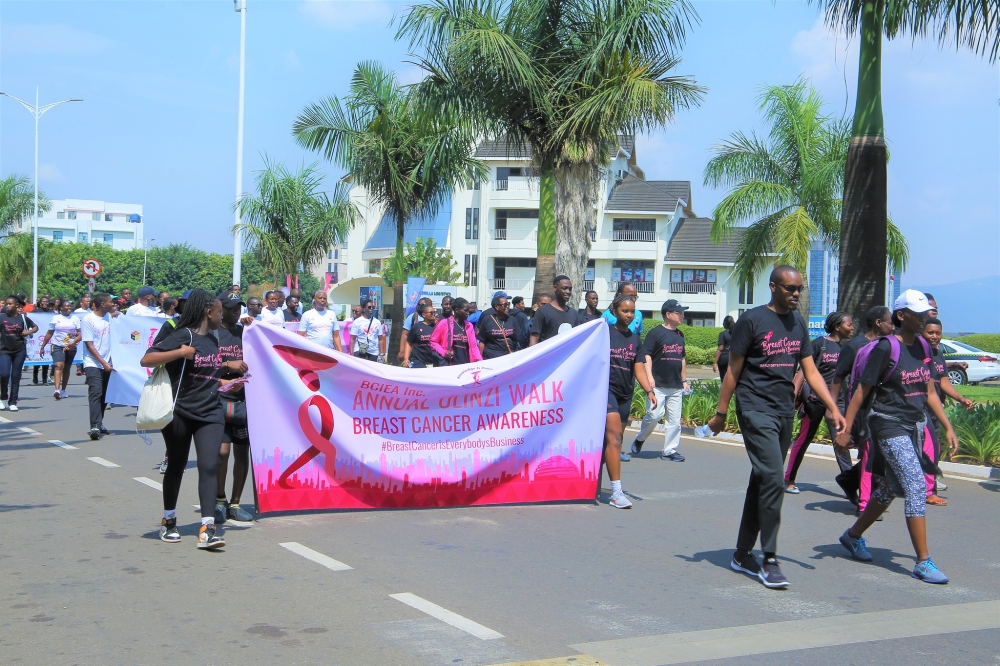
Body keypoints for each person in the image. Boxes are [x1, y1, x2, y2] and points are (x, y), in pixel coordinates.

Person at [706, 266, 845, 589]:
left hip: (783, 411)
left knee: (762, 479)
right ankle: (769, 558)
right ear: (773, 287)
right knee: (773, 478)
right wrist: (721, 412)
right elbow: (733, 372)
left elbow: (810, 372)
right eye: (789, 289)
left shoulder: (797, 323)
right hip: (754, 408)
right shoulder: (752, 320)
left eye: (799, 289)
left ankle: (741, 554)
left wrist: (834, 407)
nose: (796, 294)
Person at [836, 290, 958, 584]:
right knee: (916, 486)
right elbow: (863, 391)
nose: (926, 318)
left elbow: (929, 391)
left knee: (890, 488)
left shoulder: (924, 349)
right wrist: (846, 429)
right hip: (887, 424)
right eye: (919, 314)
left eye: (927, 313)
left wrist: (948, 426)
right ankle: (923, 562)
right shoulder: (885, 348)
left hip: (913, 424)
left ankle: (853, 536)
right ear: (902, 316)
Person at [141, 289, 228, 550]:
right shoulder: (183, 335)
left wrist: (226, 383)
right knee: (177, 465)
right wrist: (179, 353)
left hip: (211, 412)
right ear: (208, 311)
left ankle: (207, 528)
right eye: (219, 311)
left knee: (209, 465)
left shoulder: (213, 340)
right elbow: (147, 358)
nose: (221, 316)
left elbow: (207, 377)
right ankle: (168, 521)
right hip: (180, 411)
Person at [829, 306, 895, 512]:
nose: (893, 326)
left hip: (886, 409)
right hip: (862, 410)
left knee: (881, 455)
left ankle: (849, 479)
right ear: (878, 323)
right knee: (869, 454)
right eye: (890, 322)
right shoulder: (855, 346)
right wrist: (833, 408)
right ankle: (865, 502)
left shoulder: (889, 345)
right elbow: (838, 376)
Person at [783, 311, 854, 493]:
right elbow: (803, 372)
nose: (852, 327)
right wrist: (793, 395)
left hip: (837, 404)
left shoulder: (847, 349)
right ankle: (789, 479)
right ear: (838, 327)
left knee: (841, 441)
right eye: (848, 324)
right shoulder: (819, 345)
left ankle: (850, 486)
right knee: (803, 440)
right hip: (814, 401)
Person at [603, 292, 653, 509]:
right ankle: (616, 493)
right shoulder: (604, 334)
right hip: (606, 392)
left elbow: (638, 367)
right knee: (614, 437)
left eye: (632, 311)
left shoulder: (635, 338)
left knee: (612, 441)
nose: (629, 315)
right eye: (625, 310)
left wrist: (649, 390)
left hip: (625, 393)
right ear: (615, 311)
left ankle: (591, 480)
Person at [628, 299, 690, 463]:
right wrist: (649, 376)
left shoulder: (680, 335)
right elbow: (646, 355)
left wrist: (684, 380)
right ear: (668, 314)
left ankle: (670, 450)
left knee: (674, 421)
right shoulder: (655, 333)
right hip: (658, 385)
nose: (682, 316)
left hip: (675, 385)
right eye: (679, 313)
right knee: (654, 415)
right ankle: (640, 438)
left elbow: (682, 359)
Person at [921, 318, 973, 503]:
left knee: (932, 448)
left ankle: (929, 489)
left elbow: (943, 382)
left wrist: (960, 398)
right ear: (921, 333)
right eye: (930, 333)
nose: (935, 337)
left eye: (938, 333)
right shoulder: (915, 353)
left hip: (935, 409)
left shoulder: (937, 354)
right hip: (917, 409)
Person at [214, 291, 255, 524]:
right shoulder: (212, 334)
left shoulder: (247, 333)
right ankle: (219, 500)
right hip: (219, 401)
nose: (236, 311)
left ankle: (235, 503)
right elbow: (204, 366)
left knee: (242, 454)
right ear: (221, 309)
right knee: (222, 453)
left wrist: (254, 325)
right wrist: (227, 374)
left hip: (243, 402)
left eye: (239, 307)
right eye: (230, 307)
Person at [81, 293, 115, 438]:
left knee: (104, 396)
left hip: (109, 362)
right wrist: (103, 363)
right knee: (96, 393)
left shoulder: (110, 318)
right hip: (93, 362)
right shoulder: (88, 319)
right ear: (102, 304)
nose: (112, 304)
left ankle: (99, 422)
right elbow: (89, 344)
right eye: (110, 302)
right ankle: (94, 426)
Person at [0, 295, 38, 411]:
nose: (7, 306)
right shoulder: (1, 317)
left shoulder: (22, 318)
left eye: (10, 304)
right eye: (6, 304)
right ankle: (3, 398)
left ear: (17, 305)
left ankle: (13, 402)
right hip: (4, 350)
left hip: (19, 350)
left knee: (16, 376)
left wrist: (28, 332)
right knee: (4, 374)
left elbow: (35, 327)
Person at [39, 299, 82, 400]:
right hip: (57, 345)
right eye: (66, 306)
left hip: (70, 346)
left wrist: (73, 341)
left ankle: (63, 390)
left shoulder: (75, 318)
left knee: (66, 368)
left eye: (70, 306)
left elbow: (79, 334)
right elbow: (49, 333)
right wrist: (42, 346)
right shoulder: (56, 318)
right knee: (59, 365)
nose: (69, 308)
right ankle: (57, 390)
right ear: (61, 308)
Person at [529, 276, 580, 345]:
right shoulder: (543, 311)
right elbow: (534, 339)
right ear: (555, 288)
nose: (568, 292)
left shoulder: (574, 313)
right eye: (564, 288)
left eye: (570, 289)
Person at [430, 297, 482, 365]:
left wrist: (480, 362)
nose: (468, 313)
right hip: (450, 365)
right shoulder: (444, 323)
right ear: (457, 310)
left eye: (468, 311)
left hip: (467, 365)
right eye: (465, 310)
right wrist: (443, 352)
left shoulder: (469, 326)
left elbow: (474, 347)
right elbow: (433, 342)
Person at [478, 293, 518, 359]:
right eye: (505, 305)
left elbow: (518, 339)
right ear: (497, 307)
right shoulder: (487, 320)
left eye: (508, 304)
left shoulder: (512, 319)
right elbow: (482, 341)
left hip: (509, 356)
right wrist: (479, 359)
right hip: (491, 357)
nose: (507, 306)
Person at [404, 303, 441, 368]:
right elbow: (409, 343)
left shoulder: (437, 327)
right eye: (431, 313)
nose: (433, 314)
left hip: (433, 360)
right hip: (418, 359)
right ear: (424, 314)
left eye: (434, 312)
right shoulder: (416, 327)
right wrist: (406, 359)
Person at [399, 297, 433, 362]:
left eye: (423, 305)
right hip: (415, 354)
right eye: (419, 304)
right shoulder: (412, 317)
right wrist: (402, 351)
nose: (420, 307)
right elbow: (405, 334)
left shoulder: (435, 319)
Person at [32, 295, 53, 386]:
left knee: (46, 359)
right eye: (43, 301)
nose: (45, 303)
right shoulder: (35, 312)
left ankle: (44, 379)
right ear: (40, 303)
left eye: (46, 301)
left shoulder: (51, 312)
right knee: (37, 359)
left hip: (48, 337)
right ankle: (35, 376)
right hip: (38, 337)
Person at [714, 315, 735, 381]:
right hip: (733, 359)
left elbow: (720, 349)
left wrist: (715, 363)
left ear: (725, 323)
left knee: (724, 379)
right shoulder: (737, 333)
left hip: (723, 359)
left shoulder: (723, 334)